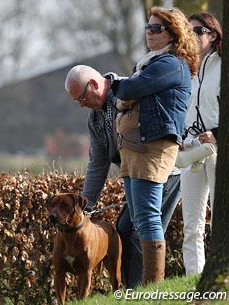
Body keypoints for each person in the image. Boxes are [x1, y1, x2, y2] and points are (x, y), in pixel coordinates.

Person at [65, 65, 181, 288]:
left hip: (162, 171)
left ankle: (144, 291)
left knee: (139, 231)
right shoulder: (95, 119)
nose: (81, 104)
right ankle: (132, 290)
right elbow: (98, 163)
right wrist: (85, 206)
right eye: (76, 101)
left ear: (95, 84)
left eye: (81, 97)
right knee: (125, 230)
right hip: (135, 175)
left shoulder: (132, 89)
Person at [113, 7, 199, 284]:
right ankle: (145, 287)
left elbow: (126, 91)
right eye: (148, 27)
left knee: (148, 217)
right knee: (139, 218)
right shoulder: (151, 63)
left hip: (152, 148)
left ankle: (154, 286)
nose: (150, 32)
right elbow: (127, 94)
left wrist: (121, 89)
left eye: (157, 28)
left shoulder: (169, 64)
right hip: (135, 148)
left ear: (173, 34)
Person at [179, 12, 222, 275]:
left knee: (221, 219)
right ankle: (194, 279)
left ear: (212, 34)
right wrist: (182, 137)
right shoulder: (185, 68)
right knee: (191, 224)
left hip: (218, 148)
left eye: (197, 31)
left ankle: (220, 273)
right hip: (192, 149)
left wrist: (217, 132)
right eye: (188, 31)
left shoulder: (224, 65)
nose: (191, 36)